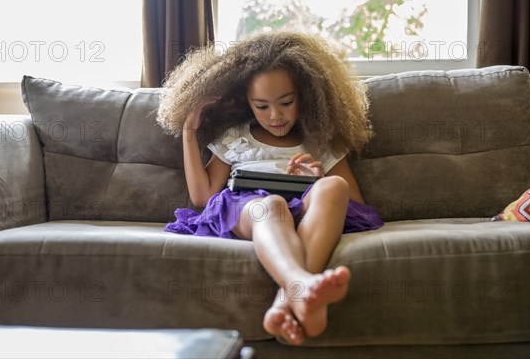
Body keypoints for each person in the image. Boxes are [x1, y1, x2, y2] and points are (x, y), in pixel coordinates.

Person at [157, 31, 383, 344]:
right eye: (261, 106)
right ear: (247, 102)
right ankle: (302, 289)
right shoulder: (236, 137)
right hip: (249, 208)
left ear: (306, 95)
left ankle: (286, 303)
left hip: (303, 209)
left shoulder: (319, 140)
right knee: (272, 205)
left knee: (333, 187)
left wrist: (317, 178)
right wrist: (189, 132)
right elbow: (202, 196)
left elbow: (356, 204)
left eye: (286, 103)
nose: (275, 116)